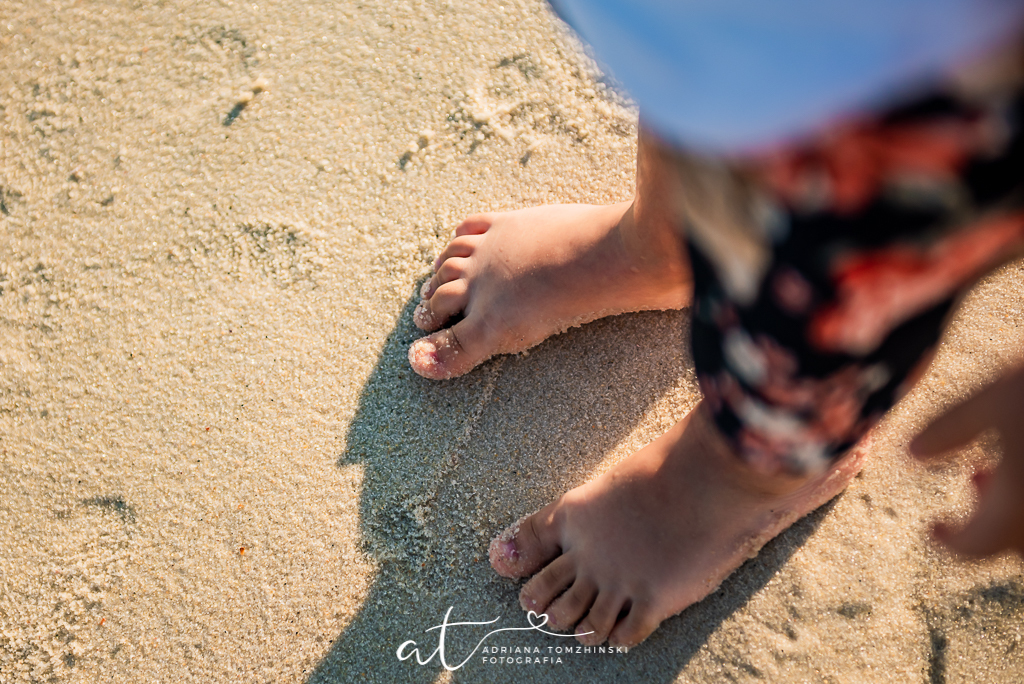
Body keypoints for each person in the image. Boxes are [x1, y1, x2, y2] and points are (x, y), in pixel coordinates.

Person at [407, 0, 1024, 648]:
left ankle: (750, 469)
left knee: (830, 274)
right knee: (701, 83)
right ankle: (659, 247)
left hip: (937, 67)